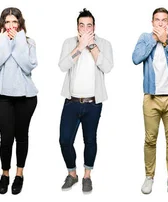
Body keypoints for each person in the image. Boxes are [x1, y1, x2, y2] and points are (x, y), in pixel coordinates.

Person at [132, 7, 168, 195]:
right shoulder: (145, 38)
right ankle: (149, 177)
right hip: (151, 98)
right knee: (150, 139)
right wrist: (155, 41)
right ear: (152, 22)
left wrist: (166, 42)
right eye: (157, 20)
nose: (161, 23)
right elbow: (135, 58)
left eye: (164, 20)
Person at [57, 8, 113, 193]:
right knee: (65, 140)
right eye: (82, 25)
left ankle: (87, 176)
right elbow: (63, 65)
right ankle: (72, 174)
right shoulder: (69, 43)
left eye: (89, 25)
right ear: (77, 28)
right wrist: (80, 47)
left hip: (93, 103)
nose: (86, 28)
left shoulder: (104, 44)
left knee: (90, 140)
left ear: (94, 27)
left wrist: (91, 46)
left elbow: (107, 66)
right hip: (71, 102)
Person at [0, 7, 38, 195]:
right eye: (7, 22)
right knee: (6, 138)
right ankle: (5, 174)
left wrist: (19, 42)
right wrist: (7, 44)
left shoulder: (28, 42)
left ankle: (19, 174)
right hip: (1, 97)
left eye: (14, 22)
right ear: (2, 24)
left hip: (26, 97)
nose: (10, 26)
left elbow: (28, 67)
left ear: (20, 24)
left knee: (21, 136)